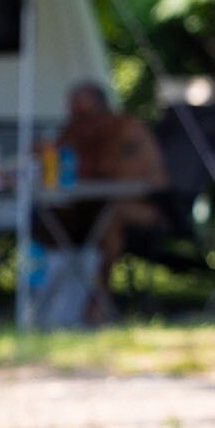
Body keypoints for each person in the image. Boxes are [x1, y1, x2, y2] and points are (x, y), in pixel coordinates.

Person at [60, 81, 167, 316]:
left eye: (83, 112)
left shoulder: (126, 130)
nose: (77, 119)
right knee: (50, 218)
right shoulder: (74, 131)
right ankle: (53, 302)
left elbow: (144, 179)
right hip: (92, 205)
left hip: (144, 209)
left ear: (100, 108)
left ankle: (99, 299)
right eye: (73, 112)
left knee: (111, 217)